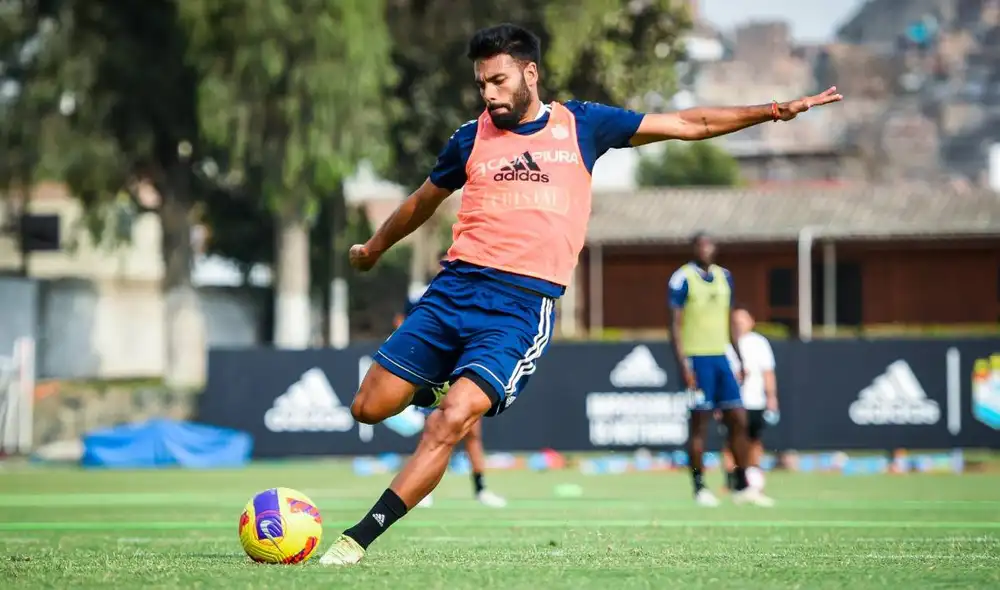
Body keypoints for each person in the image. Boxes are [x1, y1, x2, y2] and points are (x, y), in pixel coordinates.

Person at [320, 23, 840, 565]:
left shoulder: (582, 125)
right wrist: (375, 248)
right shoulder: (470, 138)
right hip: (453, 290)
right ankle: (435, 381)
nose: (489, 94)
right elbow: (421, 202)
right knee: (367, 407)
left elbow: (690, 121)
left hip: (518, 310)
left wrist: (773, 110)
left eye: (498, 81)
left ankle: (358, 537)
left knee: (451, 420)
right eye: (481, 85)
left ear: (530, 73)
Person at [668, 233, 774, 507]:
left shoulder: (724, 277)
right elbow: (675, 326)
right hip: (697, 358)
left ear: (716, 249)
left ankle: (741, 485)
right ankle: (699, 487)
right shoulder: (682, 278)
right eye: (700, 245)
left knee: (738, 419)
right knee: (700, 425)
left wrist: (738, 358)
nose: (705, 249)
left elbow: (729, 320)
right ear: (692, 248)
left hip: (721, 358)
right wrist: (684, 365)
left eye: (709, 244)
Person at [389, 297, 508, 509]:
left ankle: (481, 489)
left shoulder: (467, 293)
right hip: (434, 370)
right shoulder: (427, 294)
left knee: (472, 433)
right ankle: (419, 491)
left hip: (460, 370)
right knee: (432, 434)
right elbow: (403, 321)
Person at [721, 306, 779, 492]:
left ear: (751, 322)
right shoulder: (726, 343)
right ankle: (732, 480)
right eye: (735, 321)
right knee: (732, 441)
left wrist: (771, 396)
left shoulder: (759, 343)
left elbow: (768, 372)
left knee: (754, 440)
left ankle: (753, 477)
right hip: (732, 401)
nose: (738, 324)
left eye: (742, 320)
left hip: (755, 401)